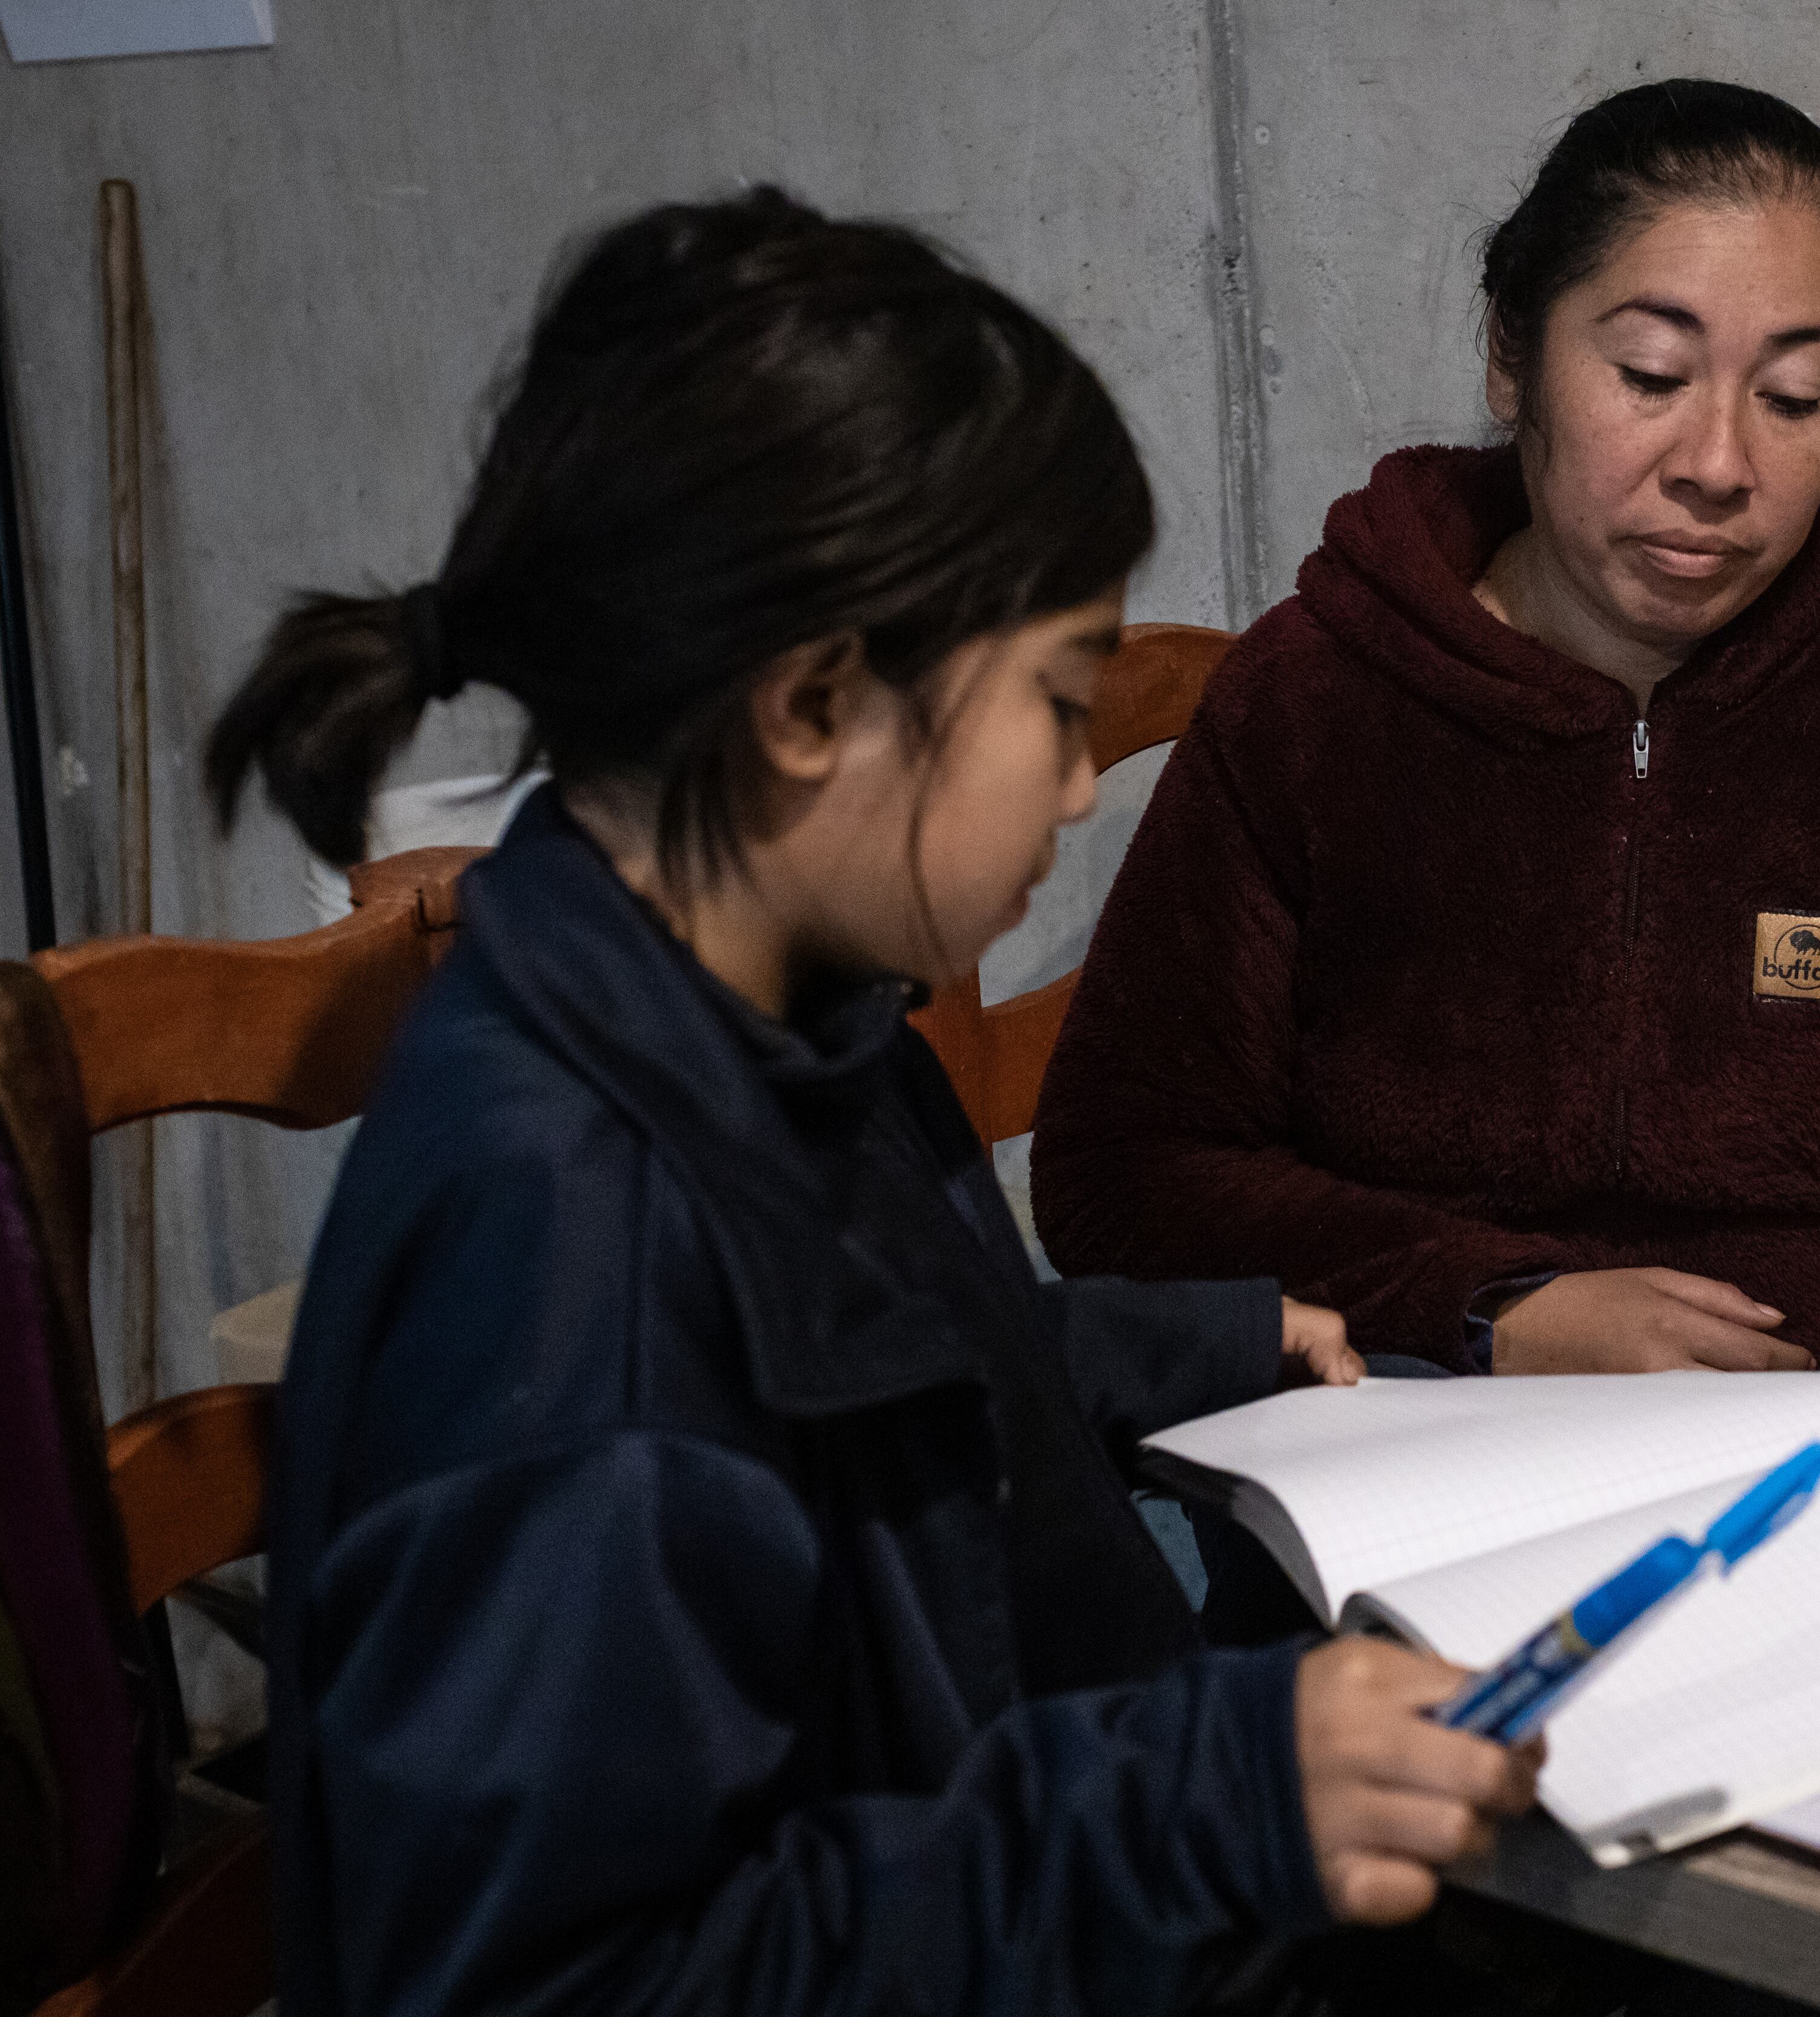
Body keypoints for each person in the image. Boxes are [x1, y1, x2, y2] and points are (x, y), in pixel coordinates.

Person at [212, 190, 1533, 2017]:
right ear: (817, 703)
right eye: (1058, 705)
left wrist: (1187, 1337)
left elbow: (863, 1377)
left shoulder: (781, 1019)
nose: (1082, 786)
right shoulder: (565, 1253)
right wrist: (1201, 1802)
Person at [1031, 80, 1820, 1376]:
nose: (1717, 462)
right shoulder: (1312, 696)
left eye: (1795, 395)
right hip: (1409, 1411)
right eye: (1651, 373)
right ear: (1510, 350)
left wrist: (1792, 1369)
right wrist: (1494, 1305)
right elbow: (1121, 1177)